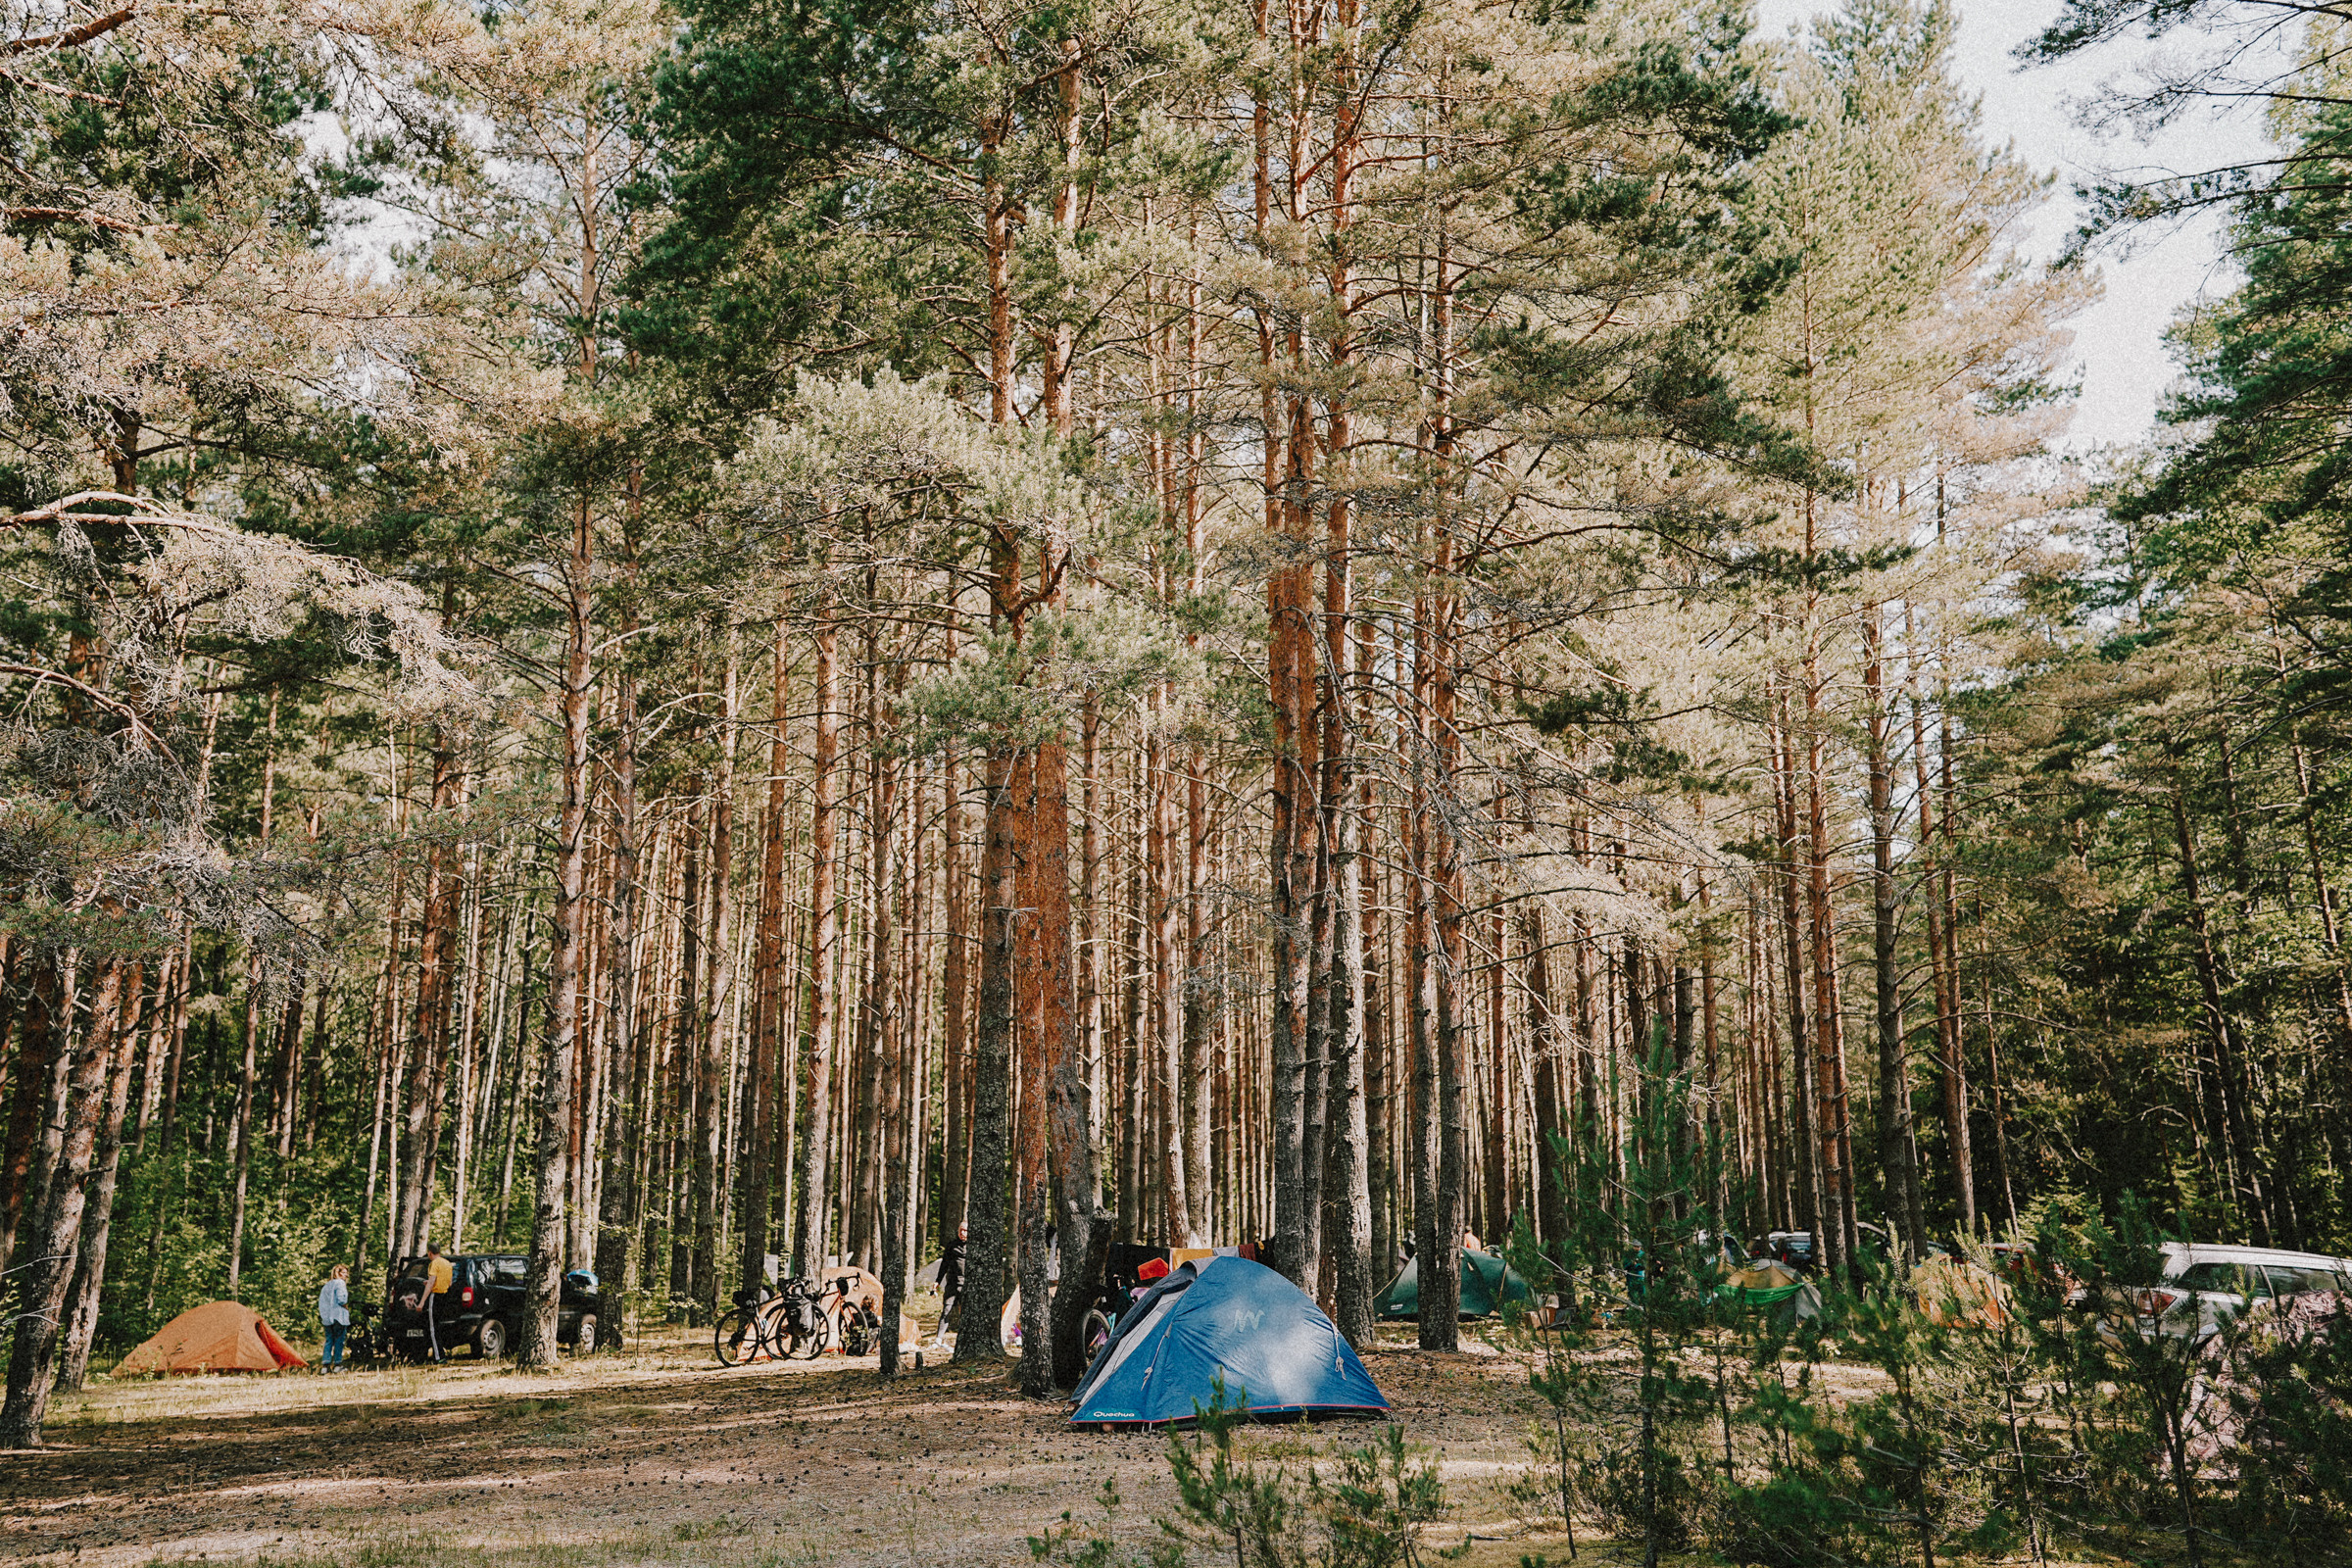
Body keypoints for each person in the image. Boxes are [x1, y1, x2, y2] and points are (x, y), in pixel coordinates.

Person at [934, 1223, 966, 1347]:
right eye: (961, 1230)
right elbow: (944, 1265)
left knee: (965, 1313)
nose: (962, 1233)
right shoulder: (952, 1246)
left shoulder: (973, 1247)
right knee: (946, 1310)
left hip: (966, 1286)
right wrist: (937, 1281)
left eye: (965, 1230)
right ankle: (938, 1339)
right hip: (952, 1284)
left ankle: (963, 1340)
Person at [424, 1243, 455, 1363]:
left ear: (430, 1253)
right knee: (440, 1326)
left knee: (433, 1328)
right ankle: (441, 1353)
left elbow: (431, 1283)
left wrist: (421, 1303)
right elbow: (450, 1283)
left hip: (435, 1296)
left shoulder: (434, 1264)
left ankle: (439, 1357)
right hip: (445, 1296)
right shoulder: (447, 1263)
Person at [318, 1265, 350, 1371]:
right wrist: (345, 1306)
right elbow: (341, 1299)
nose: (346, 1275)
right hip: (338, 1316)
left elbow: (322, 1302)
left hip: (327, 1317)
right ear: (339, 1273)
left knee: (329, 1340)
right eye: (344, 1273)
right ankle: (337, 1364)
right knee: (339, 1340)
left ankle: (325, 1365)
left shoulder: (327, 1285)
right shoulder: (340, 1283)